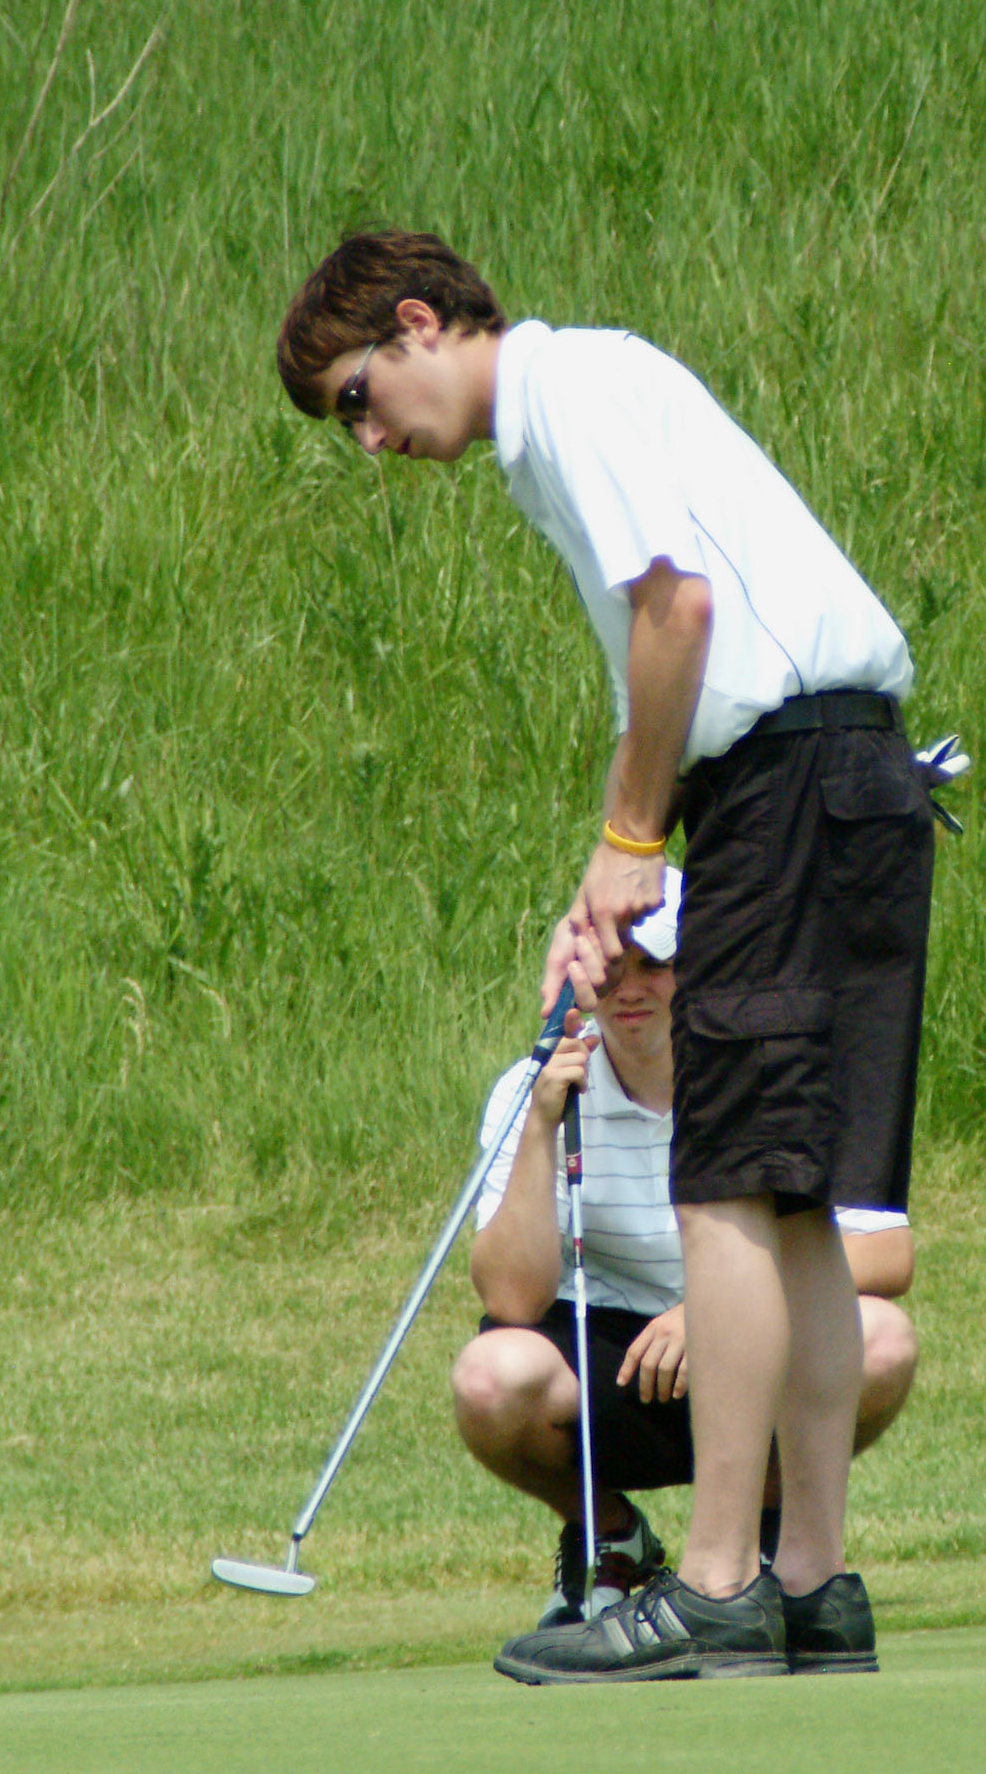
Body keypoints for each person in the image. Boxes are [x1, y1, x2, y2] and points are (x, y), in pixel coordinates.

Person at [277, 229, 937, 1679]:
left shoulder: (561, 392)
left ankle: (711, 1588)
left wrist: (629, 840)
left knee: (731, 1189)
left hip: (786, 778)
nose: (373, 437)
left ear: (415, 324)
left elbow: (675, 611)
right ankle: (813, 1584)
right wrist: (635, 843)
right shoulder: (588, 392)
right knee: (795, 1196)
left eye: (358, 399)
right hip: (859, 784)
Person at [450, 871, 917, 1656]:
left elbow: (883, 1252)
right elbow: (510, 1295)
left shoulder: (778, 1077)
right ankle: (612, 1537)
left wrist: (709, 1314)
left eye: (655, 964)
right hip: (608, 1360)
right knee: (489, 1375)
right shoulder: (533, 1089)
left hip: (752, 1351)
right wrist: (537, 1127)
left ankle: (767, 1535)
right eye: (612, 968)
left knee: (883, 1339)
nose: (631, 988)